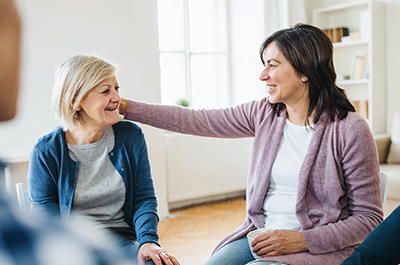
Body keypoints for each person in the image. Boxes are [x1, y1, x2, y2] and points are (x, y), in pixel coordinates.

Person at [118, 23, 383, 265]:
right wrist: (125, 107)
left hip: (315, 249)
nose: (262, 75)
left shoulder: (349, 129)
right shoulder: (264, 114)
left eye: (273, 65)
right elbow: (195, 120)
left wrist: (301, 240)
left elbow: (369, 220)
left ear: (304, 70)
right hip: (260, 236)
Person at [27, 54, 180, 265]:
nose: (117, 98)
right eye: (105, 90)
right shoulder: (46, 151)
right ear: (75, 101)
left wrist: (148, 241)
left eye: (117, 88)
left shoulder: (130, 136)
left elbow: (144, 199)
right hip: (73, 249)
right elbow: (45, 218)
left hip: (123, 242)